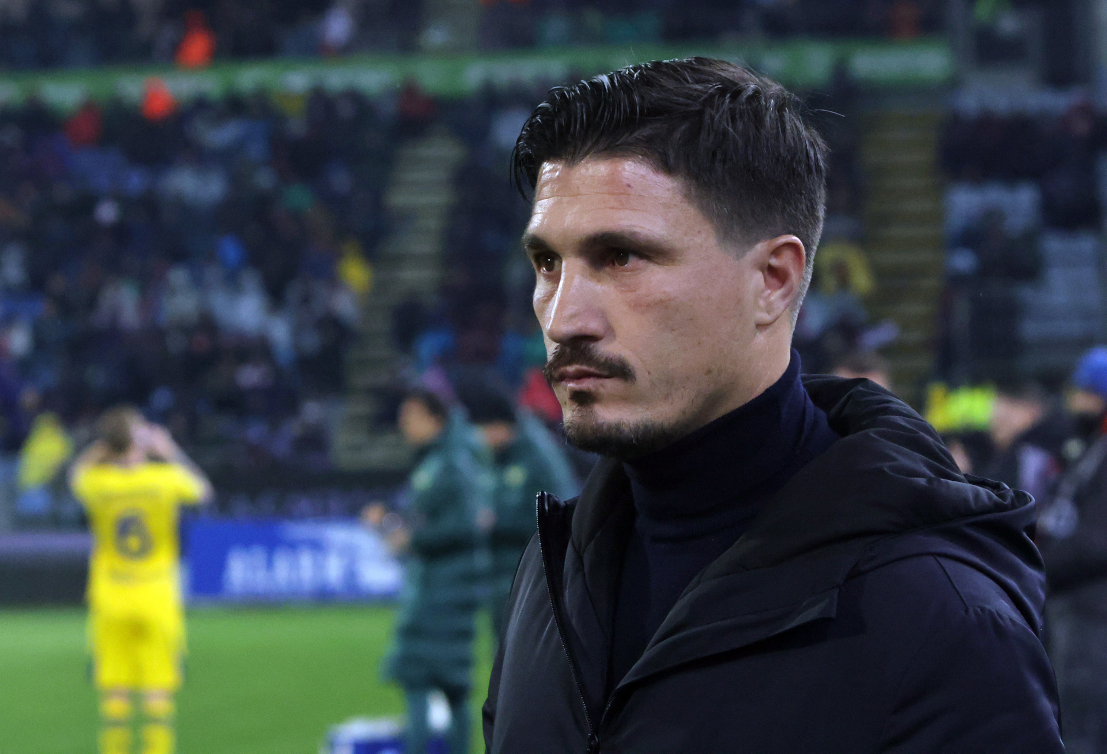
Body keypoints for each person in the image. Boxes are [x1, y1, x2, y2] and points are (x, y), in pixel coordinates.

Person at [483, 58, 1061, 752]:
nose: (564, 315)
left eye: (621, 257)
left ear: (774, 280)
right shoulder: (550, 576)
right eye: (548, 263)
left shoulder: (939, 618)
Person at [71, 406, 212, 754]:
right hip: (157, 593)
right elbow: (204, 491)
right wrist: (169, 451)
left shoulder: (98, 483)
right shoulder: (163, 479)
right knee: (158, 695)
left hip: (111, 594)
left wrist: (101, 449)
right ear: (140, 440)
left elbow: (74, 477)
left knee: (115, 697)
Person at [376, 389, 491, 754]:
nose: (403, 424)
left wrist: (410, 539)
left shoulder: (450, 462)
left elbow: (466, 525)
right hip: (449, 587)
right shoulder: (443, 458)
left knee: (419, 679)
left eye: (411, 416)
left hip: (443, 591)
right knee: (452, 687)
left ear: (436, 419)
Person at [457, 379, 578, 640]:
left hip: (536, 576)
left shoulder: (538, 456)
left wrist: (497, 521)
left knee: (530, 654)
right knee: (504, 654)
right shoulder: (496, 457)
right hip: (502, 575)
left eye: (481, 428)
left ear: (499, 424)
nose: (478, 437)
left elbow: (561, 514)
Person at [1039, 347, 1107, 753]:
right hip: (1075, 606)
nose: (1076, 402)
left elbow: (1097, 541)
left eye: (1085, 392)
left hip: (1093, 613)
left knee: (1082, 732)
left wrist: (1036, 566)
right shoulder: (1089, 446)